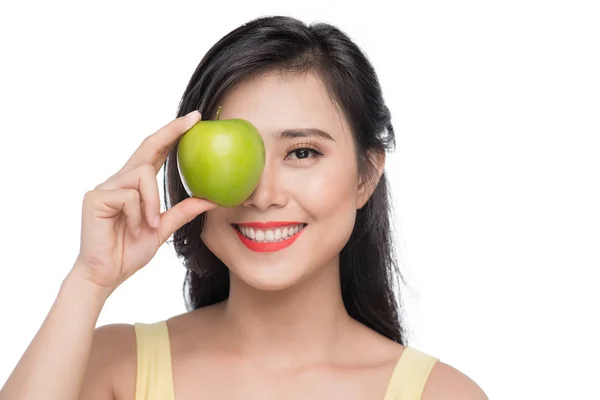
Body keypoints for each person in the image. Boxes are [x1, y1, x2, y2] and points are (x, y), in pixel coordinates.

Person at [0, 16, 487, 400]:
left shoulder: (443, 394)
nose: (262, 194)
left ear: (366, 176)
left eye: (302, 153)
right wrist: (89, 279)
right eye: (236, 155)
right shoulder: (112, 367)